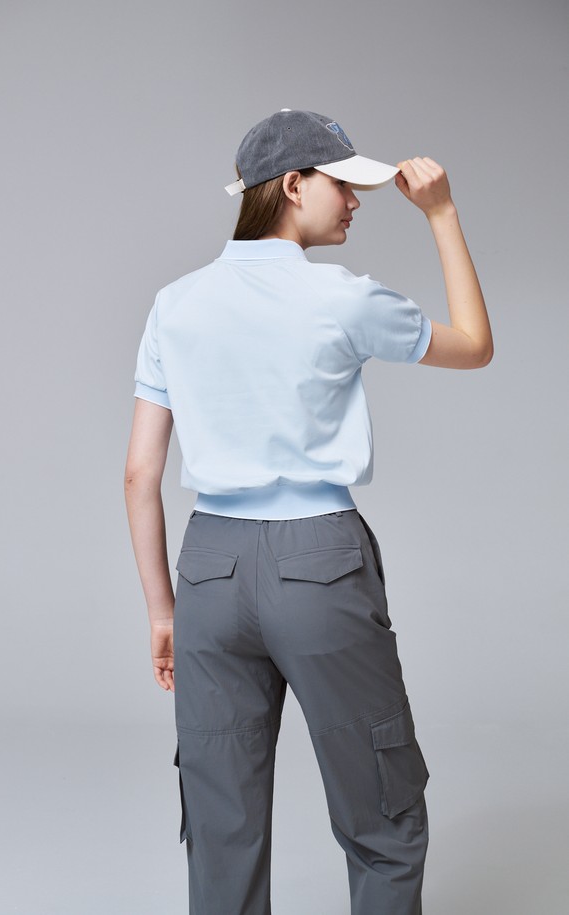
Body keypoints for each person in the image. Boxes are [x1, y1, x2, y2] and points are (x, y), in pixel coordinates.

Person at [124, 108, 493, 915]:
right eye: (344, 185)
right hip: (318, 565)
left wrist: (163, 611)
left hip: (209, 571)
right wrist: (441, 213)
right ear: (293, 185)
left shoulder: (174, 304)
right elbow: (474, 342)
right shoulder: (342, 298)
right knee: (382, 814)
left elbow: (139, 473)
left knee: (220, 829)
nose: (356, 202)